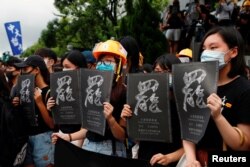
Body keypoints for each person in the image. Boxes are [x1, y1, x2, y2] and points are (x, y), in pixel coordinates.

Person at [182, 26, 250, 167]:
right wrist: (190, 159)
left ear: (233, 52)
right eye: (204, 49)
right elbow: (189, 128)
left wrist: (218, 117)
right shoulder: (197, 85)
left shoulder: (244, 89)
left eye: (213, 48)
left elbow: (244, 145)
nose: (206, 53)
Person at [51, 40, 128, 157]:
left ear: (118, 66)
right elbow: (88, 128)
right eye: (101, 61)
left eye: (109, 61)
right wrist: (67, 137)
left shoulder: (124, 91)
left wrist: (111, 119)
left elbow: (122, 136)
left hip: (110, 150)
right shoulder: (91, 88)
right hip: (89, 146)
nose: (104, 64)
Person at [121, 54, 184, 166]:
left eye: (168, 71)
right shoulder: (145, 102)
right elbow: (136, 139)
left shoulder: (183, 106)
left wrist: (169, 158)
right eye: (158, 71)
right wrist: (128, 119)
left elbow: (191, 146)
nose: (163, 76)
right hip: (145, 160)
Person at [13, 55, 54, 167]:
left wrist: (40, 103)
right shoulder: (26, 91)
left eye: (25, 69)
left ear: (36, 70)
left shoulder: (49, 92)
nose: (23, 73)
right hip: (28, 138)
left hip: (44, 139)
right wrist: (17, 104)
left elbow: (52, 124)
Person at [47, 50, 88, 147]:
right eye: (63, 67)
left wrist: (78, 142)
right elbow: (55, 121)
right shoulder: (59, 88)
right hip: (63, 137)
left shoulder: (87, 89)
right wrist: (51, 109)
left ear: (78, 68)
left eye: (67, 67)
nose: (64, 70)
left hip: (81, 140)